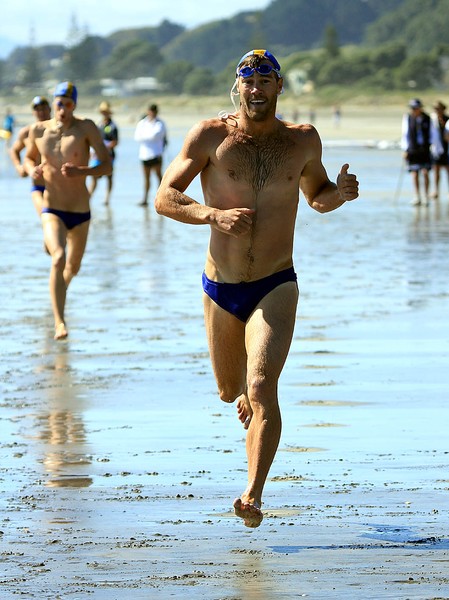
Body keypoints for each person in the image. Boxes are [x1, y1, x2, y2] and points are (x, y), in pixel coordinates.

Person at [155, 49, 359, 528]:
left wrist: (340, 195)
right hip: (221, 285)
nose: (256, 89)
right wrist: (212, 215)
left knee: (263, 385)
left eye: (265, 82)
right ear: (238, 86)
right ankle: (243, 393)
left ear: (278, 88)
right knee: (231, 392)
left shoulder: (302, 140)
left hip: (276, 282)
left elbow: (317, 196)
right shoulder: (209, 136)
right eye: (248, 81)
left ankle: (252, 493)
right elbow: (165, 197)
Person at [25, 82, 112, 340]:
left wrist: (82, 171)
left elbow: (106, 165)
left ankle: (59, 291)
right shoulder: (39, 131)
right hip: (53, 208)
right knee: (58, 257)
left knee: (73, 267)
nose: (63, 109)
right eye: (59, 103)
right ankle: (59, 321)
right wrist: (32, 169)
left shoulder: (86, 128)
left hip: (81, 212)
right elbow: (29, 157)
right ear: (54, 103)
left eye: (69, 104)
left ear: (75, 105)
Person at [9, 96, 51, 217]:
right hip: (38, 186)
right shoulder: (27, 132)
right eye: (37, 109)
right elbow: (14, 150)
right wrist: (19, 167)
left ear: (50, 109)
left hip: (57, 187)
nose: (41, 112)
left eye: (44, 108)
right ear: (33, 112)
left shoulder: (57, 130)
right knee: (46, 219)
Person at [401, 98, 441, 206]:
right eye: (413, 108)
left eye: (416, 108)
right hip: (413, 149)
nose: (414, 110)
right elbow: (405, 134)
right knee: (414, 173)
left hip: (425, 150)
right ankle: (417, 196)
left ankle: (425, 196)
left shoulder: (428, 118)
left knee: (425, 172)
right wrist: (405, 149)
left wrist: (435, 148)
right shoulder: (408, 118)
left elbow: (434, 134)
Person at [134, 103, 167, 206]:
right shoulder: (142, 123)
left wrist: (145, 136)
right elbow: (137, 137)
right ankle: (145, 199)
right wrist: (147, 136)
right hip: (144, 154)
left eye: (153, 111)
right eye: (150, 111)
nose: (152, 113)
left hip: (156, 153)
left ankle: (163, 198)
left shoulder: (160, 123)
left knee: (159, 177)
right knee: (146, 178)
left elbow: (155, 136)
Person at [89, 100, 119, 205]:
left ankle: (107, 198)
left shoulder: (113, 126)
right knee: (94, 176)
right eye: (103, 112)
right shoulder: (99, 124)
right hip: (97, 156)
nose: (104, 114)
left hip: (109, 155)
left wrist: (106, 147)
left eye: (106, 112)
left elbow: (115, 142)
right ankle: (89, 197)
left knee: (109, 176)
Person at [430, 100, 449, 199]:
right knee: (436, 170)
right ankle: (436, 191)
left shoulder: (447, 119)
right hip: (436, 148)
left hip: (447, 148)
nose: (437, 110)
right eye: (435, 109)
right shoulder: (432, 120)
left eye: (438, 108)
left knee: (448, 170)